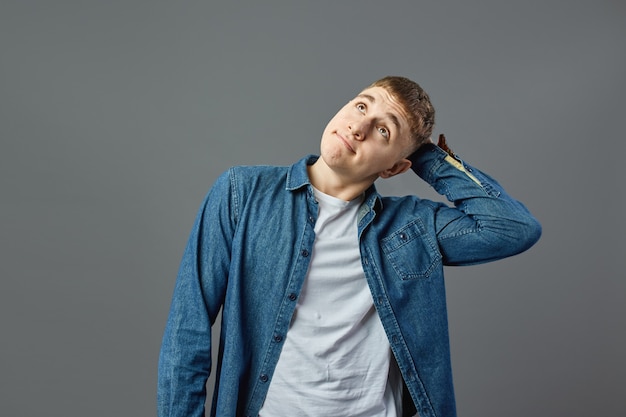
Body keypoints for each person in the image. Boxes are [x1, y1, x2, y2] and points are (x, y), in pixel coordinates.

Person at [157, 76, 542, 417]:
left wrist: (430, 158)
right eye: (361, 106)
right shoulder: (242, 193)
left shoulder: (412, 226)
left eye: (383, 131)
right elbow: (187, 329)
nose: (358, 126)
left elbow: (513, 228)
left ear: (394, 168)